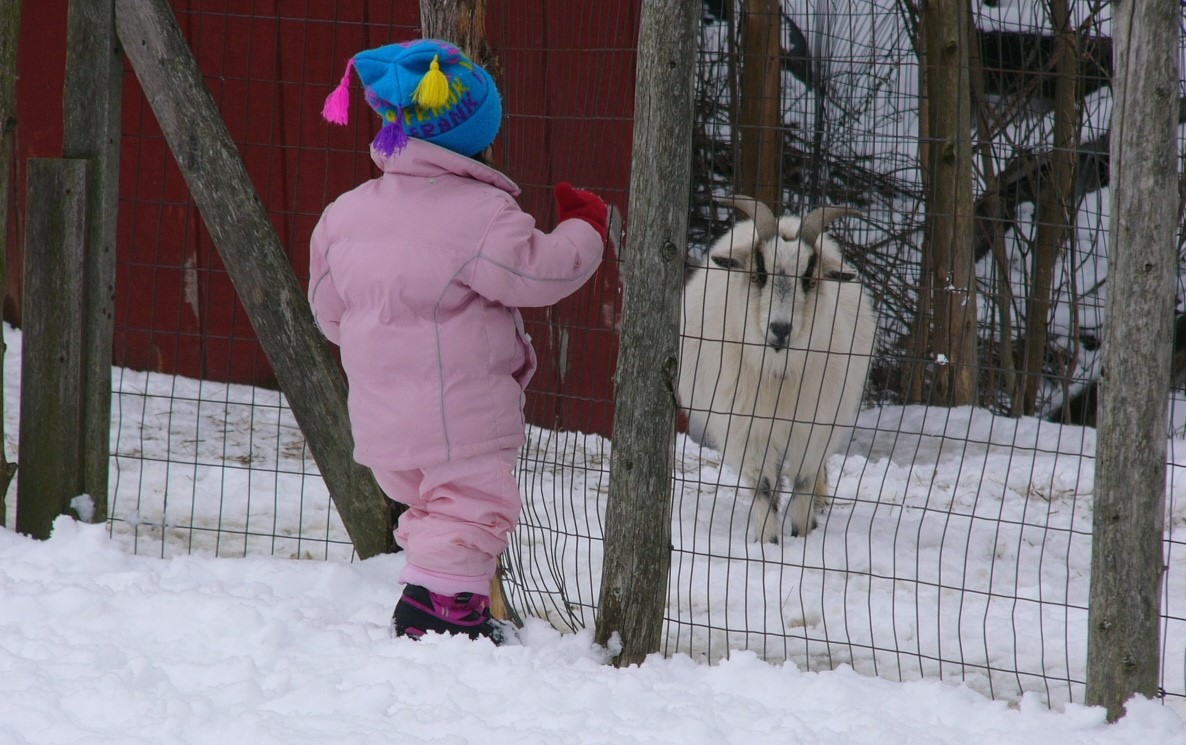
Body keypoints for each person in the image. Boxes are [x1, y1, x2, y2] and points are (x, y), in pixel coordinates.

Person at [309, 39, 609, 642]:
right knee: (473, 508)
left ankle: (447, 604)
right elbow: (541, 273)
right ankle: (438, 619)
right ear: (477, 138)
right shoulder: (481, 214)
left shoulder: (342, 214)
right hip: (459, 419)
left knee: (433, 514)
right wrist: (585, 225)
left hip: (382, 421)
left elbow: (328, 312)